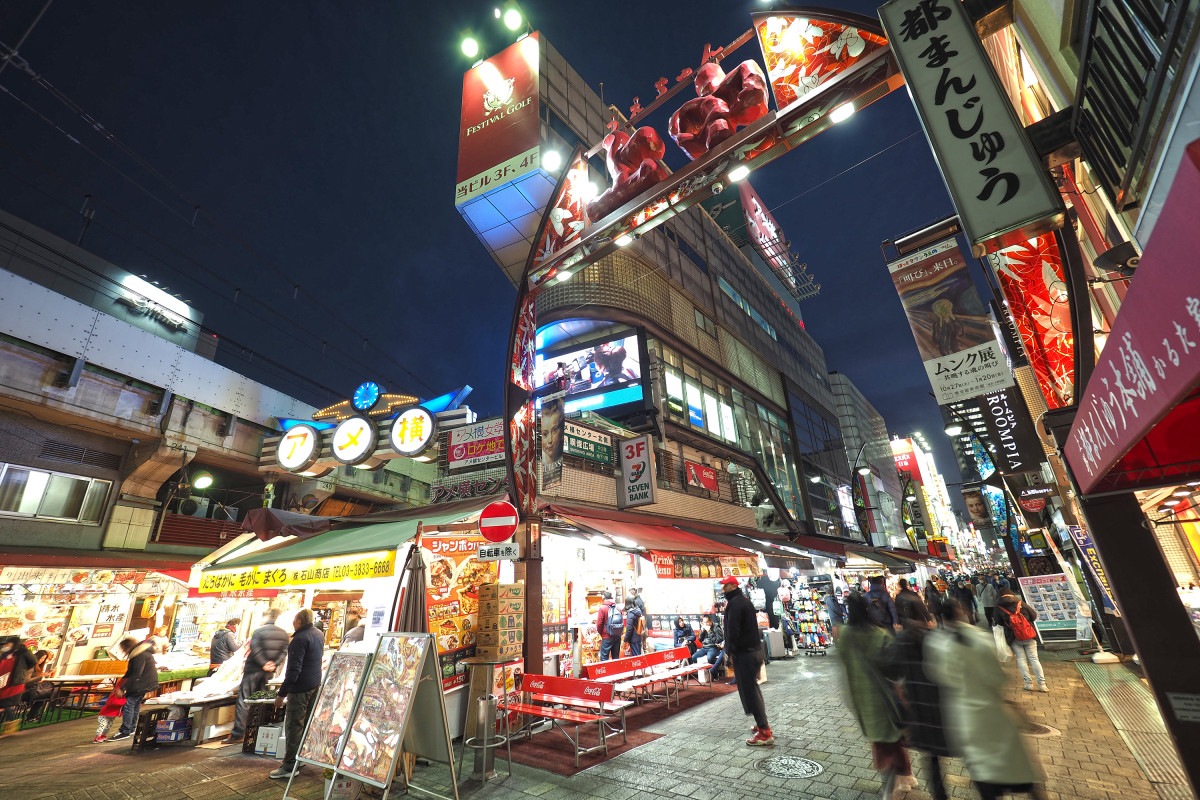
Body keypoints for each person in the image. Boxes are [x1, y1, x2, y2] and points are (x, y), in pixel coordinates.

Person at [926, 599, 1043, 799]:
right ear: (960, 611)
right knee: (1017, 766)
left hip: (963, 716)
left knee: (982, 771)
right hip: (993, 712)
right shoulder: (980, 638)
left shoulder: (936, 642)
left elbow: (936, 675)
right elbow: (999, 677)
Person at [837, 593, 916, 798]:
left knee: (884, 743)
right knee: (890, 742)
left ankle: (901, 779)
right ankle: (896, 785)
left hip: (862, 699)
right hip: (885, 698)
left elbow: (843, 663)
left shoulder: (845, 635)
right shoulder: (879, 634)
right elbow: (893, 668)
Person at [886, 606, 950, 800]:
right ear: (927, 619)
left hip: (917, 706)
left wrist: (902, 697)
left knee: (930, 756)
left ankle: (938, 794)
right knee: (938, 753)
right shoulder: (937, 638)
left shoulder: (901, 641)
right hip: (940, 705)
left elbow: (891, 673)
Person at [271, 608, 325, 780]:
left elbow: (293, 670)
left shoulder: (299, 639)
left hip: (300, 688)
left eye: (294, 620)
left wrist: (281, 693)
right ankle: (299, 758)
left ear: (299, 622)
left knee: (294, 726)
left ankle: (289, 766)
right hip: (314, 685)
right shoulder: (318, 634)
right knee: (306, 724)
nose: (293, 623)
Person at [226, 607, 290, 744]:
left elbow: (255, 648)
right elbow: (284, 651)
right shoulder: (284, 634)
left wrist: (263, 663)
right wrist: (273, 664)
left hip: (253, 669)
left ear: (267, 618)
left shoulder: (259, 631)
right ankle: (258, 732)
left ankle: (238, 734)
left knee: (245, 700)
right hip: (269, 672)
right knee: (262, 701)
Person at [721, 577, 773, 745]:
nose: (723, 588)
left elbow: (733, 632)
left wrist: (729, 652)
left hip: (745, 654)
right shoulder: (744, 602)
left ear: (734, 586)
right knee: (753, 689)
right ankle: (762, 725)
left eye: (726, 585)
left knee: (750, 691)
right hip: (754, 651)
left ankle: (764, 732)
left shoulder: (735, 604)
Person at [995, 590, 1047, 692]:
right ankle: (1042, 685)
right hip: (1029, 635)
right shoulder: (1020, 603)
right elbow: (1034, 616)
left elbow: (998, 623)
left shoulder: (998, 607)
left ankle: (1029, 684)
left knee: (1021, 660)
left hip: (1013, 637)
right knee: (1034, 659)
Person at [108, 635, 158, 741]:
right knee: (135, 704)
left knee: (129, 705)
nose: (123, 651)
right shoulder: (139, 652)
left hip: (142, 683)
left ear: (127, 647)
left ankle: (125, 730)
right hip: (146, 683)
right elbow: (130, 672)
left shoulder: (139, 654)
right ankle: (131, 728)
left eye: (123, 649)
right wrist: (122, 682)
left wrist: (122, 688)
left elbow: (136, 674)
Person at [0, 636, 37, 723]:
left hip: (14, 683)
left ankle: (10, 723)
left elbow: (33, 661)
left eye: (8, 643)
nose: (6, 645)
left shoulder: (22, 652)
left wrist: (23, 671)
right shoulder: (5, 653)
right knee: (4, 704)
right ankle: (8, 723)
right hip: (3, 680)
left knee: (5, 703)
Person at [93, 676, 126, 743]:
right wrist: (126, 701)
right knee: (103, 725)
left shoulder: (121, 696)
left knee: (108, 726)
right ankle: (97, 736)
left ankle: (103, 735)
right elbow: (115, 702)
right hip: (104, 714)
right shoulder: (114, 697)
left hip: (112, 715)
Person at [596, 592, 623, 661]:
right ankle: (616, 671)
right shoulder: (618, 608)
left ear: (603, 598)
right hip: (617, 636)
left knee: (604, 658)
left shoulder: (602, 608)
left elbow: (599, 623)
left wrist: (601, 633)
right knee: (616, 658)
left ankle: (606, 672)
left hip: (607, 636)